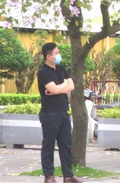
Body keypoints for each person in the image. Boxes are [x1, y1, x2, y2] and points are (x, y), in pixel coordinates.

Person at [37, 42, 82, 183]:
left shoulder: (61, 68)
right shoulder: (43, 72)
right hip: (50, 113)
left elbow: (72, 86)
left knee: (66, 144)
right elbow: (56, 89)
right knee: (49, 145)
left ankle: (68, 175)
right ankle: (49, 176)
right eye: (56, 53)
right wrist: (62, 86)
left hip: (63, 112)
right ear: (49, 56)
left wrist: (58, 87)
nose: (59, 55)